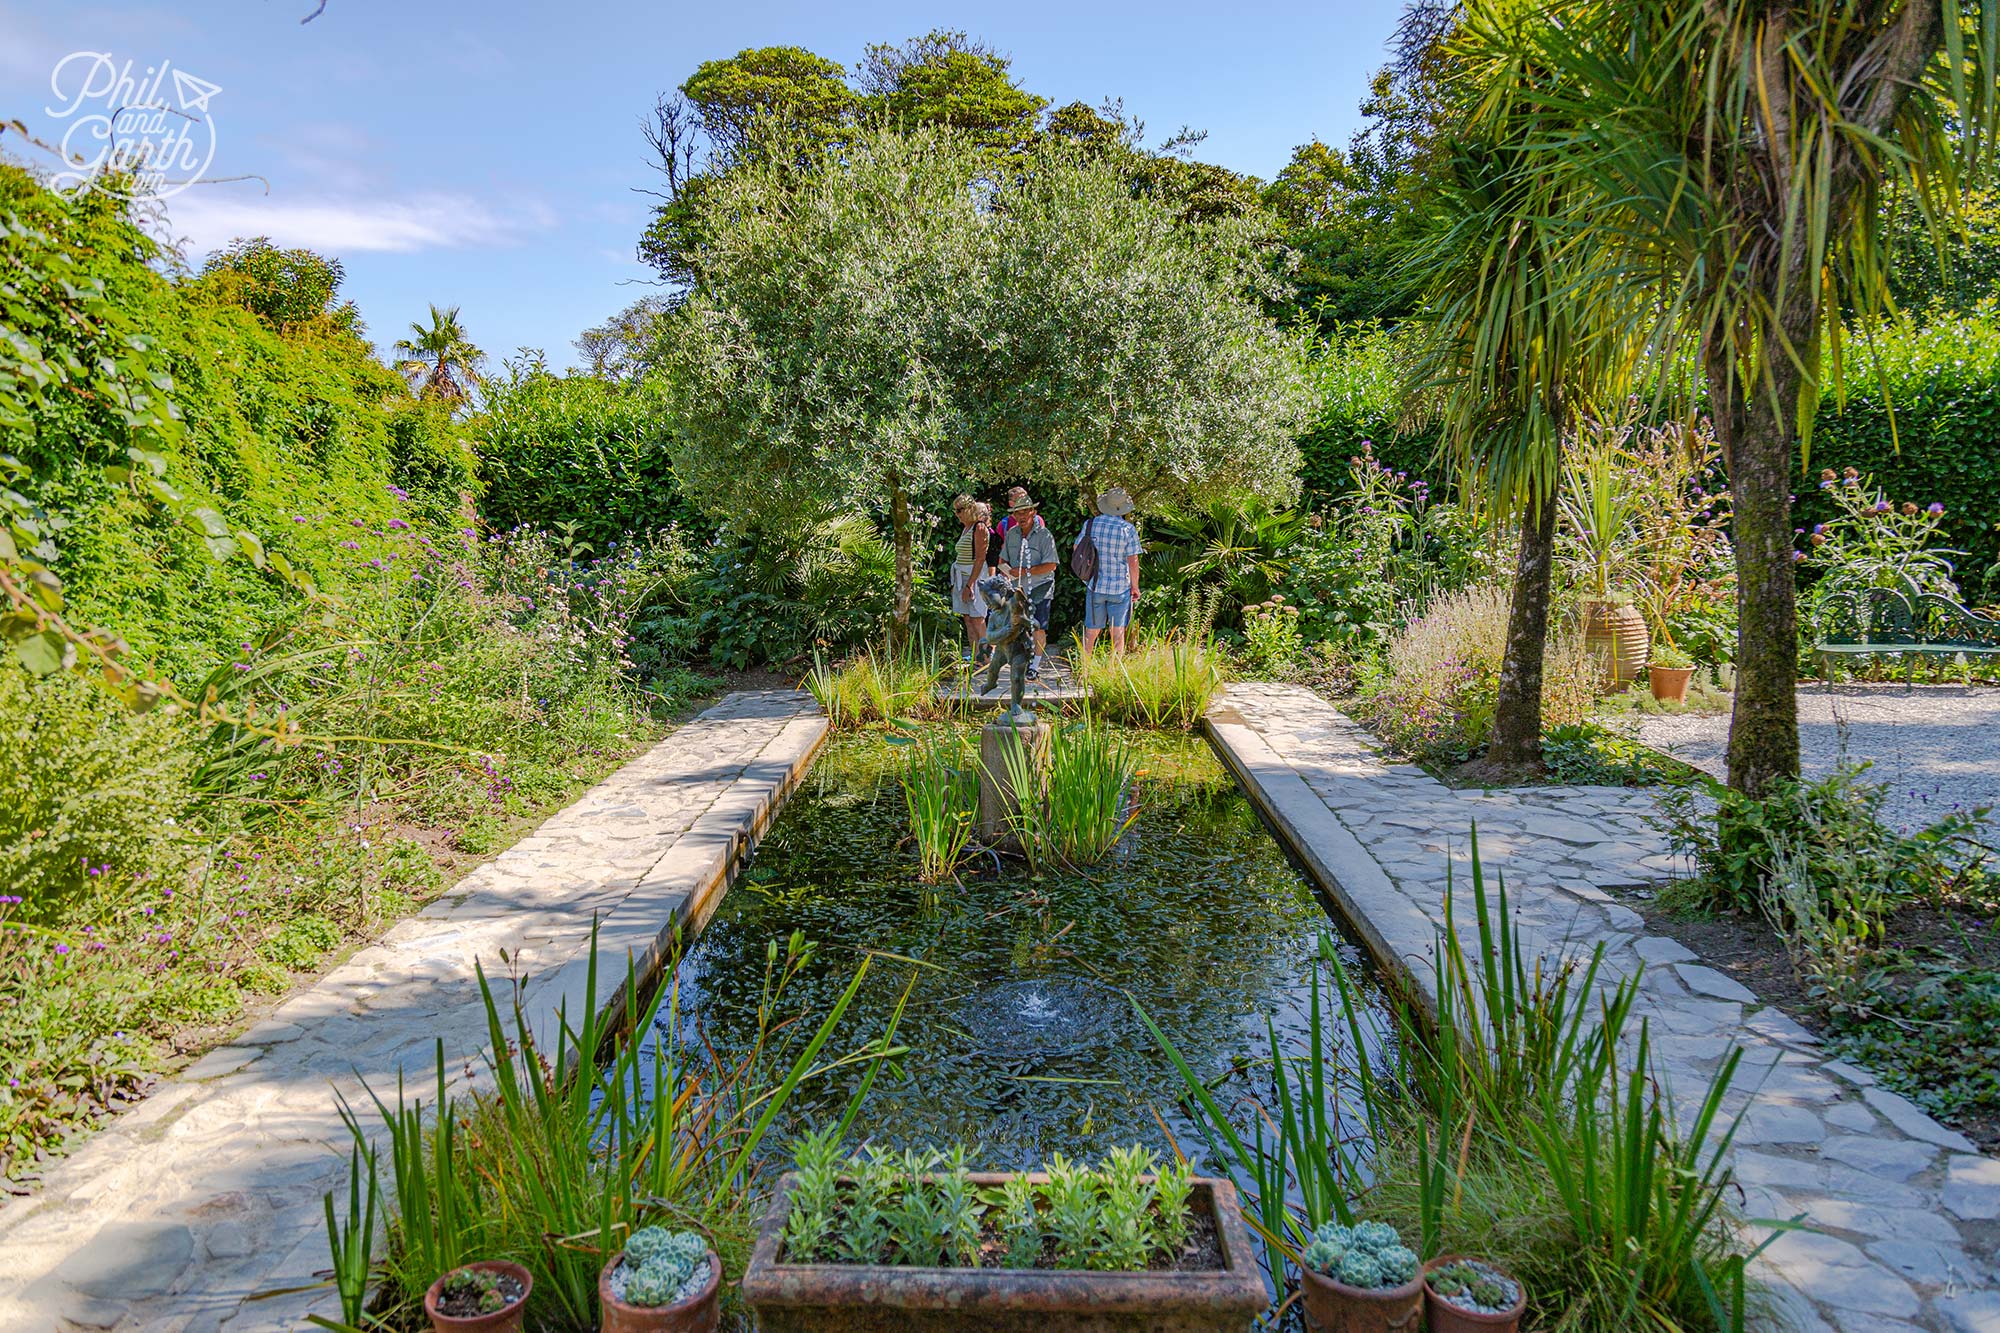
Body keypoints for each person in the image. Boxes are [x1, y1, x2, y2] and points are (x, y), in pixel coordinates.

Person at [998, 491, 1059, 680]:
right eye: (1018, 513)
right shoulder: (1011, 534)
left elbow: (1052, 565)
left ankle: (1035, 666)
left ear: (1033, 512)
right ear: (1014, 515)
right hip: (1018, 590)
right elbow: (1003, 559)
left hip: (1041, 587)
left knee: (1039, 627)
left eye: (1026, 511)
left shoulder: (1044, 535)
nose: (1022, 516)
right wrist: (1005, 573)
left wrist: (1024, 571)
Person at [1077, 486, 1142, 654]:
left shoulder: (1091, 524)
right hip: (1120, 589)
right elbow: (1133, 561)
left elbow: (1077, 547)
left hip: (1095, 585)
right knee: (1117, 632)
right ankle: (1114, 672)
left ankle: (1085, 669)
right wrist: (1135, 586)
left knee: (1091, 631)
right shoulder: (1128, 530)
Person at [949, 494, 990, 662]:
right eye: (955, 511)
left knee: (978, 618)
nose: (957, 514)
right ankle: (976, 658)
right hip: (962, 577)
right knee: (968, 619)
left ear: (969, 509)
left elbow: (980, 559)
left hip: (974, 578)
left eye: (960, 510)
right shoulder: (966, 528)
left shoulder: (979, 528)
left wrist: (970, 585)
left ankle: (987, 660)